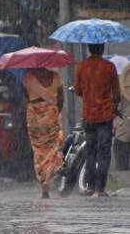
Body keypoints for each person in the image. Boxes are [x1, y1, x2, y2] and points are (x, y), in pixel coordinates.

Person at [74, 43, 121, 197]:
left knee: (90, 151)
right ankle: (100, 188)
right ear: (102, 49)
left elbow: (77, 90)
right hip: (105, 116)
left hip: (89, 115)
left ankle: (90, 185)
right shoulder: (109, 67)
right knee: (104, 152)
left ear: (89, 48)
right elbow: (117, 93)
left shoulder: (82, 66)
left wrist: (89, 96)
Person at [22, 68, 64, 199]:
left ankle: (43, 181)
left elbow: (25, 100)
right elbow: (61, 98)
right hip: (51, 114)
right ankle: (49, 176)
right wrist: (54, 112)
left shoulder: (27, 77)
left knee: (39, 150)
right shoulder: (56, 76)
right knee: (52, 148)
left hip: (34, 116)